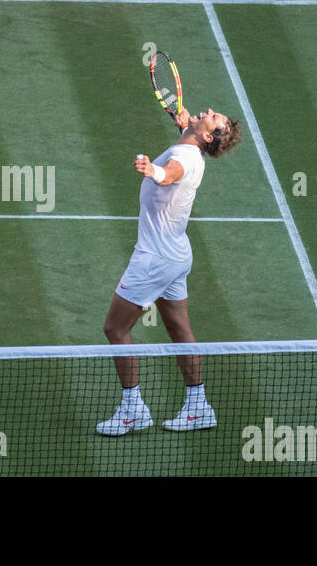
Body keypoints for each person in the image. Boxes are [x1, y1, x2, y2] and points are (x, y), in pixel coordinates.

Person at [96, 106, 243, 436]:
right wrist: (186, 125)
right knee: (179, 328)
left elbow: (172, 172)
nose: (207, 110)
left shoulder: (185, 158)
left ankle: (133, 410)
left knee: (115, 329)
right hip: (176, 254)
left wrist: (153, 171)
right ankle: (198, 406)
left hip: (154, 259)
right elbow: (185, 150)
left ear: (207, 136)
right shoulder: (192, 146)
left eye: (213, 117)